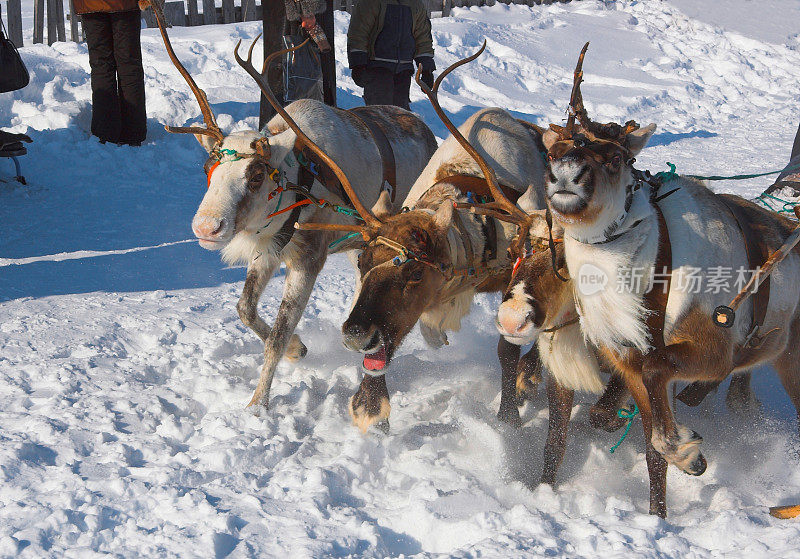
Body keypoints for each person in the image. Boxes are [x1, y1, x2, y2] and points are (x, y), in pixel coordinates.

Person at [74, 0, 146, 146]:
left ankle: (105, 133)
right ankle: (133, 133)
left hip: (91, 5)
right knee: (129, 66)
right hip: (126, 5)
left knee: (101, 67)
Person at [259, 0, 336, 129]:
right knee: (293, 75)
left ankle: (274, 134)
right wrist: (307, 11)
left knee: (282, 72)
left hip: (284, 11)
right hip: (296, 14)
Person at [347, 0, 435, 110]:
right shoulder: (371, 2)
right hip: (377, 69)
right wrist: (358, 64)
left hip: (404, 71)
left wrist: (426, 69)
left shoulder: (415, 3)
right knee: (380, 114)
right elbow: (359, 32)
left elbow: (423, 37)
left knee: (401, 114)